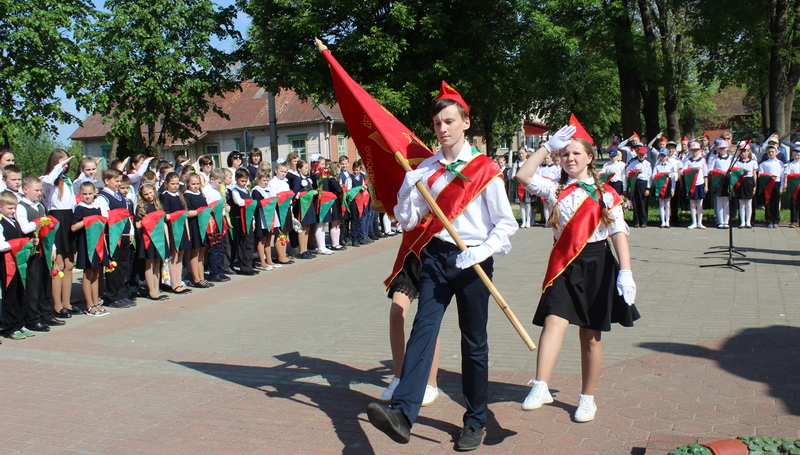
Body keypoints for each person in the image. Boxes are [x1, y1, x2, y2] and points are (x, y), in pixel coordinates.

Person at [366, 82, 517, 451]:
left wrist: (482, 252)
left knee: (473, 343)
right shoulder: (427, 169)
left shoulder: (486, 170)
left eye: (449, 121)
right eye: (437, 123)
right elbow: (408, 220)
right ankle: (403, 413)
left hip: (473, 262)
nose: (443, 129)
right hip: (435, 257)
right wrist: (407, 191)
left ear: (465, 123)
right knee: (424, 331)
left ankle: (475, 421)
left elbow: (506, 224)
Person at [514, 124, 639, 423]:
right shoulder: (553, 188)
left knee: (591, 336)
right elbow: (522, 176)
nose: (569, 158)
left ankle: (587, 398)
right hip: (564, 265)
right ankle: (541, 384)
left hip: (598, 265)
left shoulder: (606, 194)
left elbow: (618, 232)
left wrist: (626, 272)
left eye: (575, 153)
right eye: (564, 154)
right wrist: (547, 146)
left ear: (589, 157)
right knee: (553, 321)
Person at [381, 253, 441, 407]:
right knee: (396, 313)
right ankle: (399, 377)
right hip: (409, 259)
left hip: (434, 258)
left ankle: (430, 383)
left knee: (429, 319)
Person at [17, 176, 64, 330]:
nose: (39, 193)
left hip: (44, 249)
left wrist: (54, 247)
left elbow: (48, 230)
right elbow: (24, 228)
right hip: (30, 251)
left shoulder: (41, 206)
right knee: (33, 286)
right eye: (36, 190)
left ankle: (46, 314)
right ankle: (33, 318)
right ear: (26, 190)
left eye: (40, 190)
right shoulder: (21, 207)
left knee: (45, 283)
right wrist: (40, 222)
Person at [41, 150, 81, 317]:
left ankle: (67, 302)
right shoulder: (47, 180)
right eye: (62, 162)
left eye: (67, 162)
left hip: (68, 219)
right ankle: (56, 304)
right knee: (58, 266)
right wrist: (57, 167)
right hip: (56, 218)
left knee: (69, 264)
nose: (65, 165)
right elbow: (49, 180)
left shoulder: (68, 180)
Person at [94, 168, 136, 309]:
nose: (119, 184)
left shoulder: (121, 197)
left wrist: (130, 230)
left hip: (123, 235)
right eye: (116, 181)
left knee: (123, 266)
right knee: (113, 266)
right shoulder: (103, 197)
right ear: (106, 181)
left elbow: (127, 215)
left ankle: (123, 293)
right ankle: (113, 296)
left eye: (120, 181)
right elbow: (105, 217)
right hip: (112, 236)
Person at [0, 190, 38, 339]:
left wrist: (30, 243)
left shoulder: (14, 221)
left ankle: (20, 323)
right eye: (9, 208)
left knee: (21, 292)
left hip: (19, 262)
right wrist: (20, 243)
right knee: (10, 294)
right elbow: (1, 245)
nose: (13, 211)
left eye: (14, 208)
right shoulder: (1, 222)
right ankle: (10, 326)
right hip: (6, 263)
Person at [71, 182, 110, 316]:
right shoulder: (79, 208)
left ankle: (95, 302)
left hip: (98, 245)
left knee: (96, 274)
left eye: (89, 194)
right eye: (84, 194)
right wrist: (88, 220)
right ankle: (89, 305)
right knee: (88, 274)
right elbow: (73, 227)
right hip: (86, 245)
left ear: (95, 193)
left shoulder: (97, 208)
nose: (87, 196)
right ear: (80, 194)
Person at [135, 183, 169, 300]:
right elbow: (138, 224)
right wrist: (149, 219)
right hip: (148, 238)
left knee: (157, 263)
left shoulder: (158, 205)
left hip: (159, 237)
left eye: (151, 193)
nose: (149, 196)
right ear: (142, 195)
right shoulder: (141, 207)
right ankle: (151, 290)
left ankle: (157, 288)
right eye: (146, 194)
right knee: (149, 263)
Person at [160, 172, 193, 293]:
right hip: (172, 229)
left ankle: (179, 281)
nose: (175, 186)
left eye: (177, 184)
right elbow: (166, 215)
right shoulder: (165, 196)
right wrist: (178, 215)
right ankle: (174, 284)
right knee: (174, 257)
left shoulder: (179, 195)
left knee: (180, 257)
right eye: (172, 184)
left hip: (181, 227)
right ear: (167, 184)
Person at [202, 168, 231, 282]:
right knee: (214, 247)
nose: (221, 184)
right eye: (219, 182)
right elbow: (207, 206)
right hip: (212, 221)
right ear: (212, 179)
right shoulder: (206, 190)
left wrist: (226, 207)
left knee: (220, 247)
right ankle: (214, 273)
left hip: (220, 219)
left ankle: (220, 271)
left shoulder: (216, 189)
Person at [183, 173, 211, 288]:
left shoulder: (201, 194)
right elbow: (187, 213)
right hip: (193, 224)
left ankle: (202, 276)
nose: (195, 186)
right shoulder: (187, 196)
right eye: (193, 184)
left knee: (202, 251)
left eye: (197, 184)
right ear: (188, 184)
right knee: (195, 252)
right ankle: (196, 278)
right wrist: (199, 211)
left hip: (202, 224)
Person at [228, 168, 257, 274]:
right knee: (242, 243)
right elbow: (239, 202)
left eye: (246, 181)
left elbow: (250, 208)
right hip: (240, 219)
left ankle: (249, 264)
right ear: (236, 179)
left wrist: (253, 221)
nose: (244, 183)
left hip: (248, 219)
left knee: (249, 242)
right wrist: (250, 202)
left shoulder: (246, 190)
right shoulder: (235, 190)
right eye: (242, 181)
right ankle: (244, 267)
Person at [266, 162, 294, 265]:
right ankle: (280, 256)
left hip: (286, 208)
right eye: (281, 171)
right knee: (280, 232)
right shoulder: (273, 182)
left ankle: (283, 254)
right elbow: (274, 196)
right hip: (279, 208)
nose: (283, 174)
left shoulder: (285, 182)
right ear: (276, 171)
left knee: (285, 232)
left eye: (285, 172)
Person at [251, 167, 278, 271]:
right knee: (261, 240)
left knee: (268, 239)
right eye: (263, 180)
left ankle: (269, 260)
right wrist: (268, 201)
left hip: (270, 216)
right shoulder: (256, 191)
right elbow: (257, 203)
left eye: (267, 180)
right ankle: (262, 261)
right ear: (258, 179)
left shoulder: (269, 189)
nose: (266, 182)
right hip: (261, 217)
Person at [682, 142, 709, 229]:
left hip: (700, 184)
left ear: (700, 150)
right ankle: (694, 222)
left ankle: (700, 222)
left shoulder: (702, 160)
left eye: (696, 150)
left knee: (700, 204)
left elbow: (705, 174)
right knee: (692, 204)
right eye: (693, 150)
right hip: (691, 185)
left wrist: (706, 186)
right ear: (690, 150)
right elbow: (683, 172)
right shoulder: (687, 161)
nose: (694, 152)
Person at [625, 144, 652, 228]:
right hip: (636, 183)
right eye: (639, 154)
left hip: (644, 183)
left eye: (642, 155)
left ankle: (644, 221)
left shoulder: (648, 164)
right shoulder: (633, 163)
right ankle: (636, 221)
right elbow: (627, 172)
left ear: (646, 155)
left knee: (643, 203)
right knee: (636, 203)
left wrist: (648, 188)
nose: (641, 156)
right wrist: (632, 174)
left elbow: (649, 176)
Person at [709, 140, 734, 228]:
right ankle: (720, 221)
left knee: (726, 202)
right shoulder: (714, 158)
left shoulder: (731, 158)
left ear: (727, 148)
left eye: (724, 148)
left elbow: (733, 169)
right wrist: (718, 173)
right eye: (720, 148)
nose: (722, 150)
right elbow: (710, 170)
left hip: (727, 181)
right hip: (718, 181)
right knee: (719, 201)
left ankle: (726, 221)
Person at [734, 144, 758, 229]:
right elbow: (735, 174)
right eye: (741, 151)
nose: (743, 153)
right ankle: (742, 222)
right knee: (741, 203)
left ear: (748, 152)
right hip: (740, 182)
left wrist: (755, 185)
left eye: (745, 151)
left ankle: (748, 222)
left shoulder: (753, 162)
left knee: (748, 203)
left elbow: (754, 174)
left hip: (749, 181)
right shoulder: (737, 162)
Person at [653, 149, 679, 228]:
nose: (663, 157)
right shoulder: (657, 165)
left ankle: (667, 221)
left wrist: (672, 189)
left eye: (664, 156)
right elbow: (653, 175)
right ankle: (662, 221)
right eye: (661, 155)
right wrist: (659, 177)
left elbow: (673, 178)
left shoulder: (670, 165)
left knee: (667, 204)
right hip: (660, 185)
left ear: (667, 156)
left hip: (668, 185)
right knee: (661, 204)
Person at [759, 145, 784, 228]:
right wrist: (768, 176)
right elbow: (760, 174)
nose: (771, 153)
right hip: (767, 184)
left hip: (776, 183)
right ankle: (768, 220)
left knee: (776, 202)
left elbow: (782, 176)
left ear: (776, 153)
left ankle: (776, 220)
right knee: (768, 202)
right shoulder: (763, 164)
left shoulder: (780, 163)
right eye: (769, 152)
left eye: (772, 152)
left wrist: (782, 187)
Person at [511, 147, 532, 228]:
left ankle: (528, 221)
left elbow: (532, 173)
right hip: (519, 186)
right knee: (522, 204)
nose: (521, 155)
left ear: (526, 153)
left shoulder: (528, 162)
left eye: (522, 153)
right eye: (519, 153)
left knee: (528, 204)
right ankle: (523, 221)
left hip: (527, 186)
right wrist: (516, 177)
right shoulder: (516, 163)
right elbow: (513, 175)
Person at [784, 146, 800, 227]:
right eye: (795, 155)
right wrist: (785, 183)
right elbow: (787, 174)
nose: (796, 157)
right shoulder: (790, 164)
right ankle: (793, 220)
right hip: (793, 186)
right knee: (793, 203)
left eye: (798, 155)